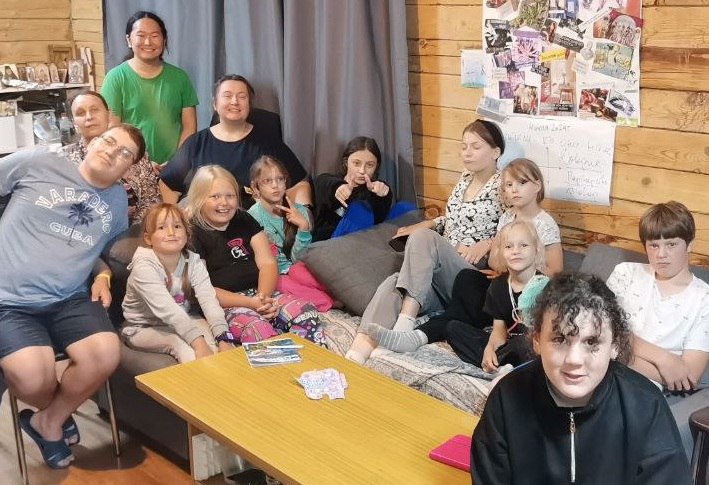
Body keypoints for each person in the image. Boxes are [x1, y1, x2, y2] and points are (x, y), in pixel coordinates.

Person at [0, 124, 145, 469]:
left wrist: (103, 275)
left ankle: (48, 421)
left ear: (129, 169)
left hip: (68, 297)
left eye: (124, 153)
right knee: (32, 376)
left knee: (106, 352)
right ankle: (57, 412)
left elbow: (93, 249)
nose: (111, 151)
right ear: (92, 142)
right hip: (9, 300)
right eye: (109, 141)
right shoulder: (38, 162)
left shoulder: (116, 201)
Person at [471, 272, 691, 484]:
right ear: (537, 340)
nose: (574, 359)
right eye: (559, 339)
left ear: (614, 345)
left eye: (592, 342)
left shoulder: (646, 406)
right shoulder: (506, 399)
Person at [346, 119, 504, 364]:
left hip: (471, 278)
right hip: (444, 271)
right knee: (394, 283)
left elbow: (516, 230)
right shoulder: (465, 179)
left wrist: (489, 243)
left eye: (476, 147)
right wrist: (426, 224)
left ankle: (404, 327)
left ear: (495, 152)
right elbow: (453, 220)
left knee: (423, 239)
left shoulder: (504, 186)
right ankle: (358, 351)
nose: (467, 153)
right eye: (464, 146)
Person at [357, 221, 547, 372]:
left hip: (531, 344)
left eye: (523, 246)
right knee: (452, 327)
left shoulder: (544, 287)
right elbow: (498, 333)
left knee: (525, 344)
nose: (516, 251)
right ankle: (365, 348)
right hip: (502, 341)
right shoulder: (498, 286)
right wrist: (490, 350)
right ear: (502, 252)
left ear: (536, 250)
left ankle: (511, 370)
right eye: (509, 247)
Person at [606, 201, 709, 459]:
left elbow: (688, 376)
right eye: (653, 245)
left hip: (643, 389)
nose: (661, 254)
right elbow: (598, 328)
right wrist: (663, 357)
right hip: (600, 371)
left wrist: (615, 349)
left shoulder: (704, 299)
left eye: (671, 244)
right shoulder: (625, 273)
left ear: (690, 244)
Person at [185, 165, 325, 346]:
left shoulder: (244, 219)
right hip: (225, 304)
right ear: (199, 199)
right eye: (215, 197)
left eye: (230, 196)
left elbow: (268, 263)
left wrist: (263, 299)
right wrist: (251, 303)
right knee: (258, 329)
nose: (224, 202)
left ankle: (311, 362)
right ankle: (278, 364)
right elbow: (203, 289)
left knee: (306, 312)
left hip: (260, 294)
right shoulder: (193, 233)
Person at [161, 74, 310, 209]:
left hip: (255, 225)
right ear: (215, 104)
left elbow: (299, 184)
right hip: (203, 225)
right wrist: (171, 220)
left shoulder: (268, 142)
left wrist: (303, 216)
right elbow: (168, 184)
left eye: (242, 97)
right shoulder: (196, 143)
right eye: (227, 96)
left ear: (249, 105)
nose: (234, 101)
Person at [121, 203, 234, 362]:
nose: (171, 232)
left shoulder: (193, 261)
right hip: (143, 328)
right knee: (185, 348)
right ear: (148, 238)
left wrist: (224, 338)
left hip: (186, 317)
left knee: (219, 348)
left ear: (187, 234)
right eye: (161, 228)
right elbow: (168, 310)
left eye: (177, 226)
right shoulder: (144, 266)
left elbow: (209, 300)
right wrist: (199, 343)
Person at [101, 11, 198, 164]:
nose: (148, 42)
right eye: (141, 35)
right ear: (129, 40)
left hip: (175, 166)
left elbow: (190, 127)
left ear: (164, 40)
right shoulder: (115, 78)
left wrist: (176, 162)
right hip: (130, 165)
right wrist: (142, 164)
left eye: (154, 36)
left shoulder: (180, 77)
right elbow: (112, 129)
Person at [247, 156, 334, 312]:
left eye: (280, 179)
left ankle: (336, 297)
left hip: (297, 266)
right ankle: (329, 302)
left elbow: (299, 259)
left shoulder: (300, 212)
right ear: (255, 187)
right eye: (267, 181)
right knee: (284, 283)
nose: (275, 185)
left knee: (301, 272)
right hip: (274, 274)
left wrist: (303, 228)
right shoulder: (252, 217)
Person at [66, 90, 161, 225]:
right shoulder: (64, 159)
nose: (89, 117)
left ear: (108, 114)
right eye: (80, 113)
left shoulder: (133, 153)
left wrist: (133, 232)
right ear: (73, 122)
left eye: (95, 110)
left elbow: (151, 200)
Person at [313, 136, 413, 241]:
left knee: (406, 208)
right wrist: (338, 188)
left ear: (376, 166)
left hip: (369, 240)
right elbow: (324, 183)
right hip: (333, 244)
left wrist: (384, 195)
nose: (362, 171)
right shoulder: (328, 181)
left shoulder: (374, 189)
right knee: (359, 210)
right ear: (346, 162)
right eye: (356, 163)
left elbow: (379, 217)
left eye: (369, 165)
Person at [497, 157, 563, 275]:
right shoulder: (506, 218)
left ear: (537, 186)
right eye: (509, 184)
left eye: (522, 182)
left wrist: (521, 273)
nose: (514, 189)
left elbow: (555, 270)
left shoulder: (546, 225)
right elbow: (494, 259)